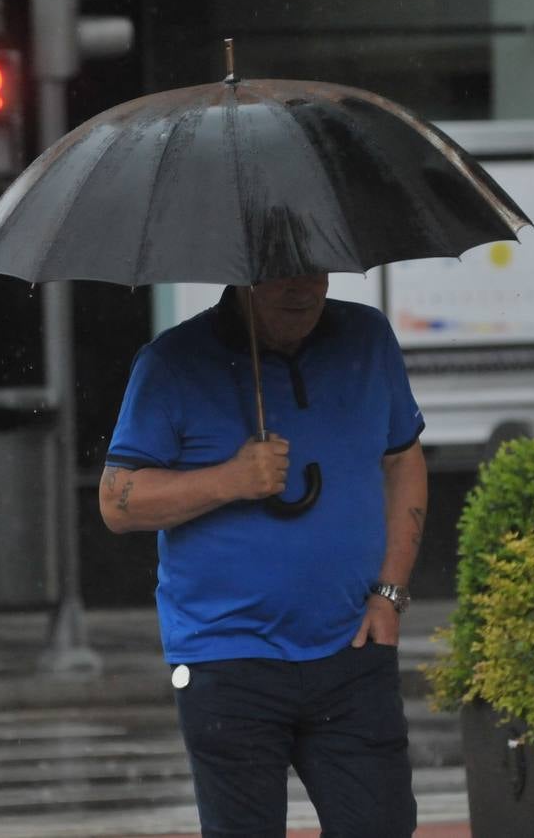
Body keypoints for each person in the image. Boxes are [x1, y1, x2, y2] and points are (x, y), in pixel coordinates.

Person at [99, 274, 426, 838]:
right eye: (278, 271)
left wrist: (390, 593)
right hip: (226, 656)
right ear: (241, 272)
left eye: (313, 268)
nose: (300, 288)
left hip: (351, 645)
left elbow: (404, 461)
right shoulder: (172, 361)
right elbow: (118, 503)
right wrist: (230, 479)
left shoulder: (367, 337)